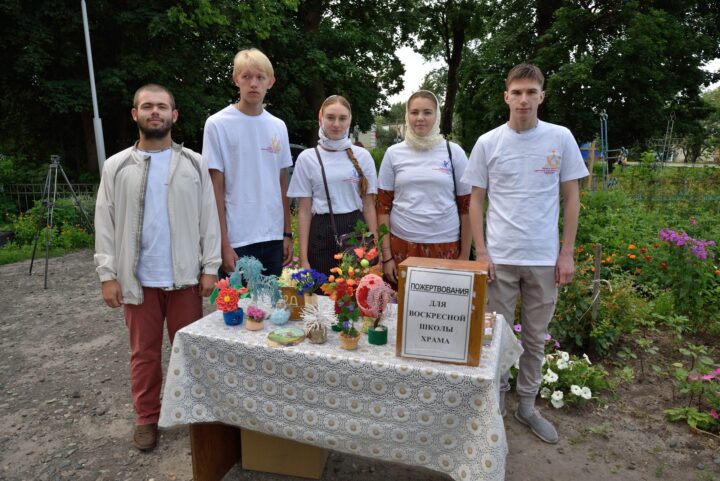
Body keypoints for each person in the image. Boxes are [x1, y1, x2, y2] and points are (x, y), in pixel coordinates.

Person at [462, 63, 588, 444]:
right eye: (516, 92)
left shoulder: (560, 138)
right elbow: (475, 201)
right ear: (506, 96)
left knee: (535, 339)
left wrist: (566, 253)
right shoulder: (488, 143)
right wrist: (481, 252)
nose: (523, 99)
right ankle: (497, 404)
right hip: (499, 259)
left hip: (543, 260)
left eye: (531, 92)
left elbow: (572, 198)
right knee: (497, 339)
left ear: (541, 97)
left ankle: (528, 406)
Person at [94, 84, 221, 451]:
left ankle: (194, 415)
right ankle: (147, 417)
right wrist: (107, 275)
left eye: (162, 107)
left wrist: (210, 267)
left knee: (190, 352)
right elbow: (105, 224)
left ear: (173, 115)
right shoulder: (116, 166)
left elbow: (208, 218)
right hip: (137, 281)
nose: (155, 112)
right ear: (135, 114)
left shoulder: (194, 163)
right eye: (147, 106)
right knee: (144, 355)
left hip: (185, 279)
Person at [203, 48, 293, 277]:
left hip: (273, 237)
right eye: (247, 77)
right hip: (236, 240)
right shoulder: (217, 124)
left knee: (272, 300)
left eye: (260, 77)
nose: (253, 83)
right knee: (236, 302)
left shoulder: (278, 126)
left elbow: (282, 183)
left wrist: (287, 233)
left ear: (270, 82)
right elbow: (215, 188)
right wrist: (223, 243)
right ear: (236, 80)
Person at [377, 90, 472, 284]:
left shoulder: (454, 153)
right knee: (402, 302)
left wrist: (464, 256)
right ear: (407, 115)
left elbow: (467, 208)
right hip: (402, 246)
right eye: (414, 112)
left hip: (445, 246)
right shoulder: (393, 153)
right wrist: (386, 257)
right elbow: (383, 208)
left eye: (427, 112)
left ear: (437, 116)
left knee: (442, 302)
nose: (420, 118)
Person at [287, 95, 378, 275]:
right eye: (330, 117)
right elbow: (304, 211)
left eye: (342, 118)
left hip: (356, 232)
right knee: (321, 290)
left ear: (349, 120)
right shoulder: (307, 158)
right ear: (321, 118)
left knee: (355, 289)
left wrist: (376, 251)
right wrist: (303, 258)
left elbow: (368, 206)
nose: (336, 124)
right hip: (320, 234)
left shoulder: (363, 156)